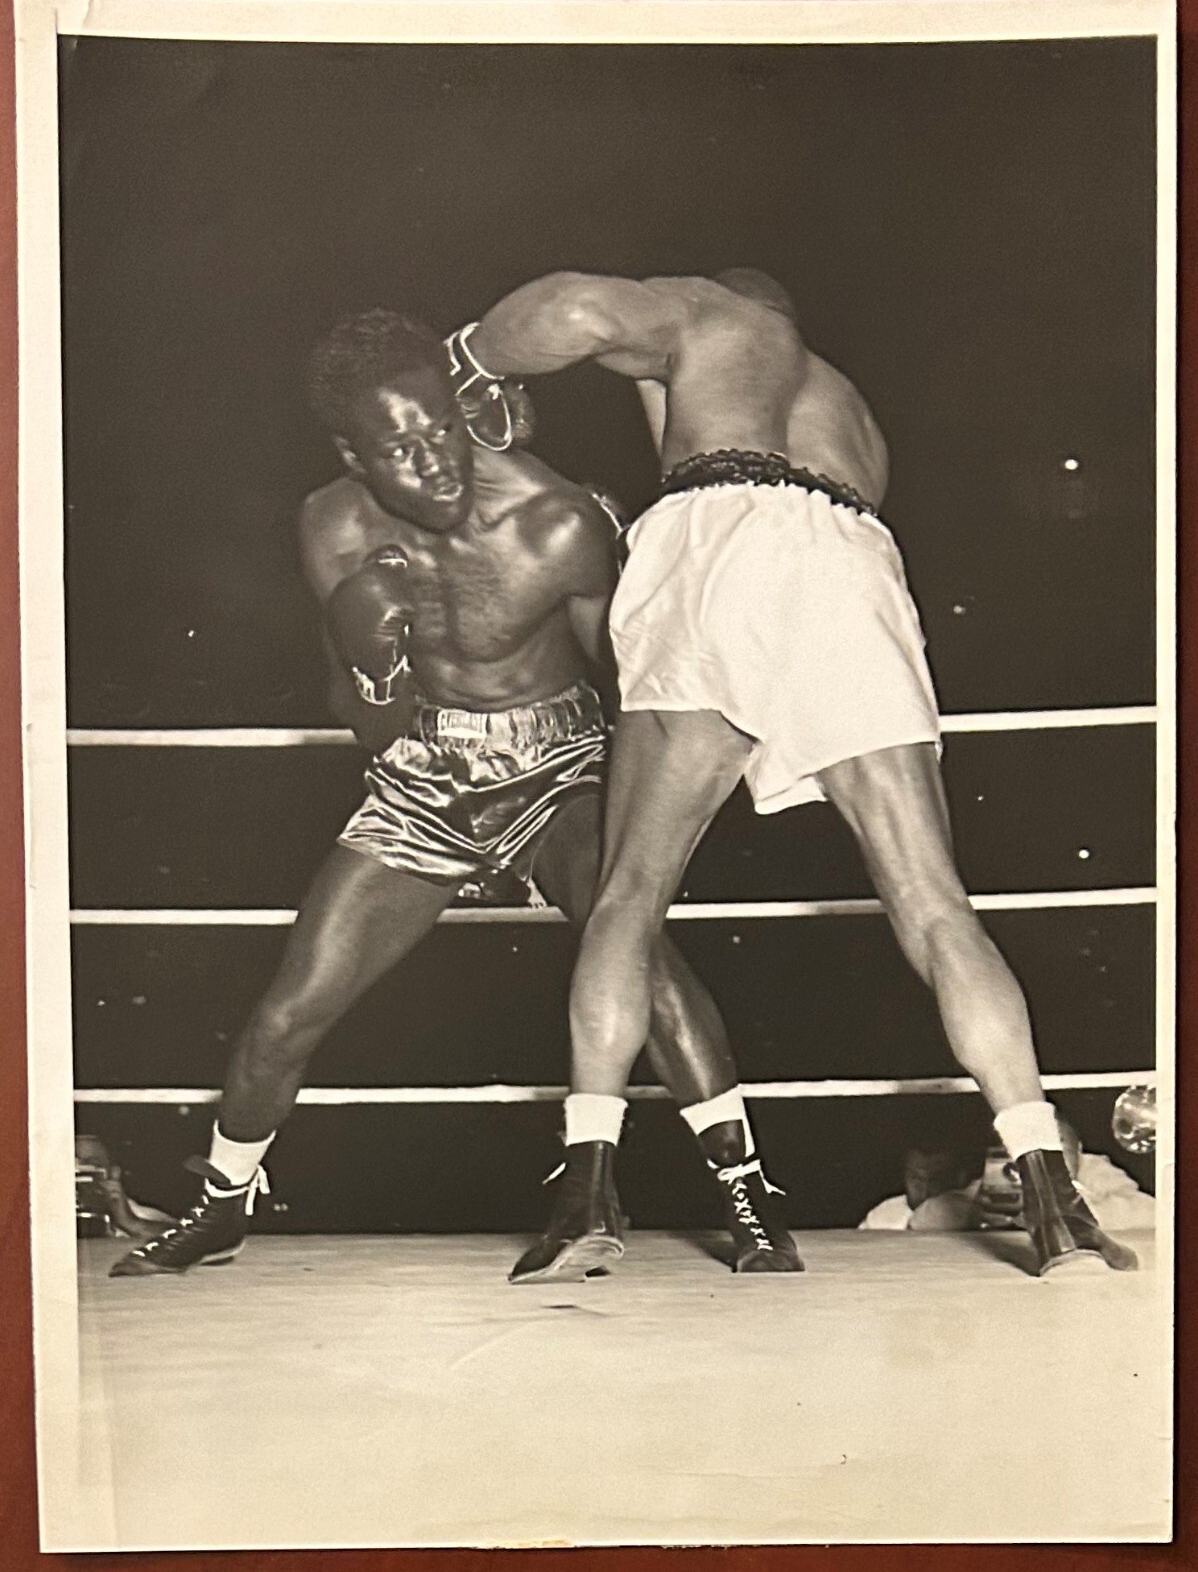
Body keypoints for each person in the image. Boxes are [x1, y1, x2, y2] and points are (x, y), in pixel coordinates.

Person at [453, 268, 1139, 1279]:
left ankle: (588, 1187)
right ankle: (1045, 1179)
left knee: (628, 898)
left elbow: (575, 312)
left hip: (721, 541)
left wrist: (467, 355)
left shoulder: (715, 318)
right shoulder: (848, 413)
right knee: (936, 906)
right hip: (853, 565)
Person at [110, 308, 800, 1280]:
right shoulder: (332, 525)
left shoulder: (552, 522)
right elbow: (365, 724)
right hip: (425, 773)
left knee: (634, 947)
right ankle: (223, 1202)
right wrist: (375, 667)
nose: (435, 463)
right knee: (290, 1006)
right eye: (401, 447)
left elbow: (638, 687)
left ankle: (748, 1196)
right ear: (354, 453)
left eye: (442, 428)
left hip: (562, 761)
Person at [860, 1121, 1155, 1239]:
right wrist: (981, 1205)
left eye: (1056, 1151)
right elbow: (923, 1220)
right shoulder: (997, 1176)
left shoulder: (1095, 1170)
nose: (1042, 1161)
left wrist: (1068, 1201)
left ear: (1077, 1152)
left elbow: (1151, 1211)